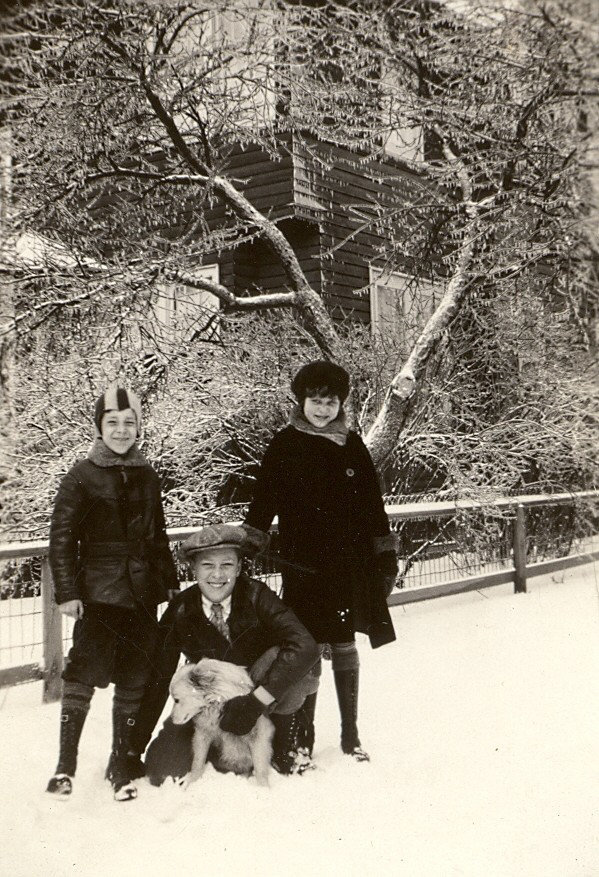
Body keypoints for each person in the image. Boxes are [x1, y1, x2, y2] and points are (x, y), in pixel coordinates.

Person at [244, 360, 398, 762]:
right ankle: (302, 736)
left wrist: (385, 553)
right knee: (306, 645)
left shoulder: (352, 445)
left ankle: (351, 735)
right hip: (303, 565)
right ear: (302, 400)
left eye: (330, 402)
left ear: (340, 404)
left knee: (344, 642)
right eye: (315, 401)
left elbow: (372, 504)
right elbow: (265, 498)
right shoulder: (285, 443)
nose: (323, 409)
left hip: (349, 563)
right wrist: (252, 538)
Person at [46, 386, 179, 801]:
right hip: (97, 595)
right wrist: (67, 592)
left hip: (142, 596)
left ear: (139, 427)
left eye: (129, 423)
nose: (121, 431)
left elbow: (157, 535)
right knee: (83, 674)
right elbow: (61, 539)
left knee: (135, 679)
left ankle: (119, 765)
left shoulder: (148, 475)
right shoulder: (81, 475)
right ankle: (64, 768)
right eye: (112, 423)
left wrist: (170, 582)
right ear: (99, 426)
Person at [130, 523, 322, 781]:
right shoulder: (181, 610)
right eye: (207, 565)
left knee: (293, 659)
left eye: (227, 565)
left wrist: (256, 701)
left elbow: (305, 645)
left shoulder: (257, 595)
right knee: (162, 769)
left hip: (260, 688)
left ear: (240, 568)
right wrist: (133, 748)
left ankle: (288, 737)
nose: (217, 575)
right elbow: (159, 678)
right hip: (211, 699)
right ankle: (224, 747)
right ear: (194, 569)